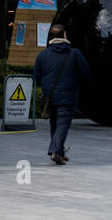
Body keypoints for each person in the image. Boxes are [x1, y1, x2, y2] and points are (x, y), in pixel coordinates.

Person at [34, 23, 91, 163]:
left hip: (50, 96)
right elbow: (86, 73)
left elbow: (36, 76)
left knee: (55, 124)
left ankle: (59, 152)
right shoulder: (74, 53)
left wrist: (46, 86)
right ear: (64, 35)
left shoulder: (43, 54)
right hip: (68, 95)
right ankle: (54, 150)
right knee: (63, 125)